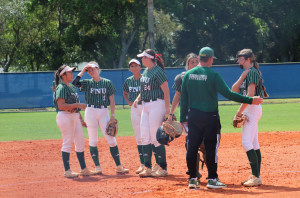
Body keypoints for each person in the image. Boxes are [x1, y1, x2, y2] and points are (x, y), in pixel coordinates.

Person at [180, 47, 264, 189]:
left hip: (193, 116)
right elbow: (229, 94)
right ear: (211, 59)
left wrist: (183, 118)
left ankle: (193, 179)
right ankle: (212, 179)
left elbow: (184, 97)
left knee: (192, 147)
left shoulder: (188, 75)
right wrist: (251, 100)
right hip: (210, 116)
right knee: (211, 147)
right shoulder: (213, 75)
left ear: (199, 58)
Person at [72, 61, 129, 174]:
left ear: (98, 69)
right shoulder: (87, 83)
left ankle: (119, 166)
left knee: (111, 138)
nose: (91, 71)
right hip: (90, 111)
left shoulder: (107, 83)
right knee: (93, 139)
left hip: (103, 111)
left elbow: (112, 99)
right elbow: (74, 83)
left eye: (93, 69)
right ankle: (97, 167)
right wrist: (83, 70)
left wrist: (113, 116)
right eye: (89, 70)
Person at [232, 49, 268, 187]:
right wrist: (242, 77)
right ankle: (255, 175)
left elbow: (250, 97)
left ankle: (256, 176)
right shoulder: (247, 73)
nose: (238, 61)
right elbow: (233, 91)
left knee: (246, 143)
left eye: (240, 58)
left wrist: (239, 113)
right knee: (254, 144)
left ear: (248, 59)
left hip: (251, 109)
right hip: (251, 109)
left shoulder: (252, 72)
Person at [133, 49, 170, 177]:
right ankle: (147, 167)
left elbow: (166, 91)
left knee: (156, 137)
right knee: (144, 137)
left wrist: (168, 111)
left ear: (148, 58)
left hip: (157, 104)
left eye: (143, 57)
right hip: (146, 105)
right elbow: (144, 89)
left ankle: (163, 168)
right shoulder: (146, 71)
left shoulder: (158, 71)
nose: (141, 59)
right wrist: (139, 98)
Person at [54, 65, 96, 178]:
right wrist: (78, 105)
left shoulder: (72, 87)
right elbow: (61, 105)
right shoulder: (61, 87)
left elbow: (75, 107)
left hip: (75, 117)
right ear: (63, 75)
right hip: (65, 117)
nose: (72, 74)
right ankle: (67, 170)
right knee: (68, 142)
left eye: (72, 72)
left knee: (80, 143)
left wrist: (81, 119)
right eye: (69, 72)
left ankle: (84, 169)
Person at [167, 53, 204, 180]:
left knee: (204, 143)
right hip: (187, 115)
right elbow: (177, 96)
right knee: (189, 143)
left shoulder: (204, 75)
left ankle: (210, 169)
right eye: (191, 62)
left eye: (196, 61)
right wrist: (171, 114)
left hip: (202, 114)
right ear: (187, 64)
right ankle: (194, 170)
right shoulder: (181, 78)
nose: (194, 64)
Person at [123, 59, 153, 174]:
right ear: (130, 68)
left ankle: (149, 163)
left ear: (140, 67)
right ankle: (142, 164)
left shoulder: (144, 78)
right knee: (138, 136)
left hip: (145, 107)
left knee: (147, 135)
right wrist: (128, 102)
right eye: (132, 66)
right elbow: (125, 93)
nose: (134, 68)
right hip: (134, 109)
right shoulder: (128, 81)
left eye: (136, 65)